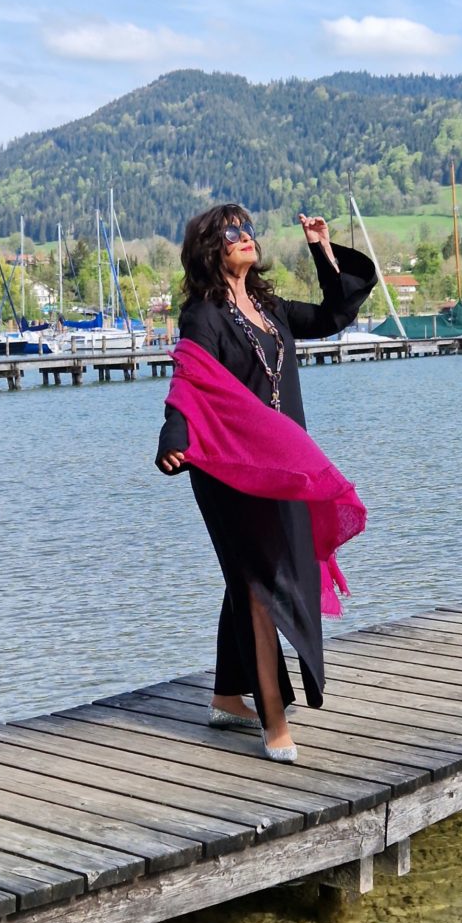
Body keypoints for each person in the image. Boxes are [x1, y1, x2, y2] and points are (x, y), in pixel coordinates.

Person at [156, 204, 376, 761]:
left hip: (282, 467)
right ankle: (273, 718)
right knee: (257, 584)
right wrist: (173, 435)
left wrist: (322, 249)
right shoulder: (203, 315)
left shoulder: (272, 307)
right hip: (229, 470)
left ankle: (227, 697)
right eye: (231, 231)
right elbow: (189, 380)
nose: (244, 236)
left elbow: (334, 315)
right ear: (209, 248)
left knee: (251, 575)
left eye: (248, 229)